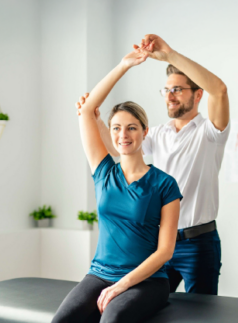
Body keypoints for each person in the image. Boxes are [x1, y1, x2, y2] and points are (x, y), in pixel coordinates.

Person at [77, 34, 230, 295]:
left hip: (198, 243)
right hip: (158, 243)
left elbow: (220, 90)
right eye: (167, 90)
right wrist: (97, 120)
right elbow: (119, 146)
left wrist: (169, 54)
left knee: (201, 316)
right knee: (149, 312)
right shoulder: (157, 133)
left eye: (178, 90)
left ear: (198, 94)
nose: (170, 96)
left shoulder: (210, 131)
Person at [53, 47, 182, 323]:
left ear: (145, 131)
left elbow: (165, 252)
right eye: (116, 128)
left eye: (132, 127)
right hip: (99, 273)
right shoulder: (103, 172)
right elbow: (87, 110)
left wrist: (122, 285)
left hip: (148, 281)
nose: (123, 135)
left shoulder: (165, 184)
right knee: (61, 321)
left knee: (111, 320)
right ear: (110, 132)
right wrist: (124, 65)